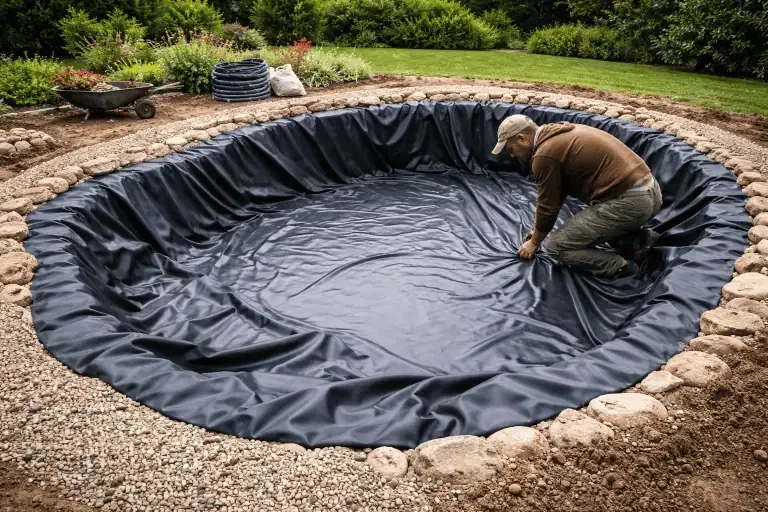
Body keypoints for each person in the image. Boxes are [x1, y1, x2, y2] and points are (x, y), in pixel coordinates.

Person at [491, 114, 662, 278]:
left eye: (510, 149)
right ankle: (636, 242)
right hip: (652, 193)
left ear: (522, 138)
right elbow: (557, 195)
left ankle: (619, 266)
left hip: (630, 202)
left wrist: (535, 243)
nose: (512, 155)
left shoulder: (544, 155)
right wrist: (538, 232)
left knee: (556, 246)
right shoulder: (562, 132)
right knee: (590, 219)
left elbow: (548, 207)